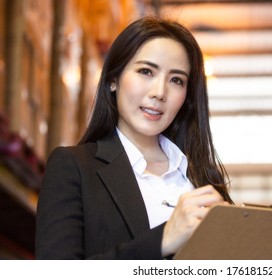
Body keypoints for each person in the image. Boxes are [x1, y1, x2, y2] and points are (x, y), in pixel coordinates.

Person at [35, 16, 233, 260]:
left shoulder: (205, 178)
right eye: (146, 71)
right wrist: (164, 239)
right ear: (113, 79)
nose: (159, 92)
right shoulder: (74, 168)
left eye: (176, 80)